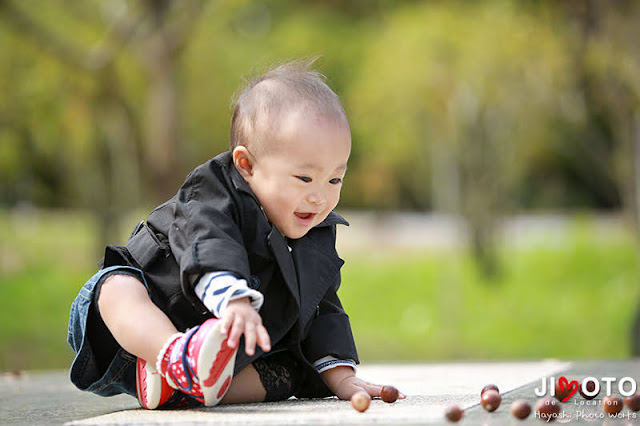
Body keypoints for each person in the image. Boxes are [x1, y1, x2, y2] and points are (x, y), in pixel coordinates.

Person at [67, 59, 404, 409]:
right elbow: (209, 242)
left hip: (214, 354)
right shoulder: (213, 192)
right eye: (304, 178)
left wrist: (342, 374)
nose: (320, 197)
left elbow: (322, 307)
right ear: (247, 165)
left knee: (289, 370)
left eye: (335, 179)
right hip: (137, 317)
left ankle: (180, 386)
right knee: (116, 284)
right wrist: (233, 299)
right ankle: (171, 356)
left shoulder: (315, 229)